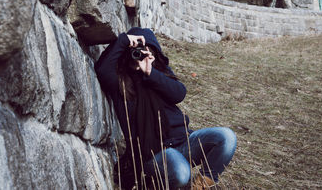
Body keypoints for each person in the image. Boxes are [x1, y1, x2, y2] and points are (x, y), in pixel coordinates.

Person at [95, 27, 237, 189]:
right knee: (182, 174)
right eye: (137, 51)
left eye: (147, 50)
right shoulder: (121, 83)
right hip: (154, 154)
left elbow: (179, 93)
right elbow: (102, 69)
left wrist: (150, 73)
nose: (141, 54)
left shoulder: (159, 74)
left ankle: (200, 186)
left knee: (227, 137)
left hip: (184, 142)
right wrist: (124, 41)